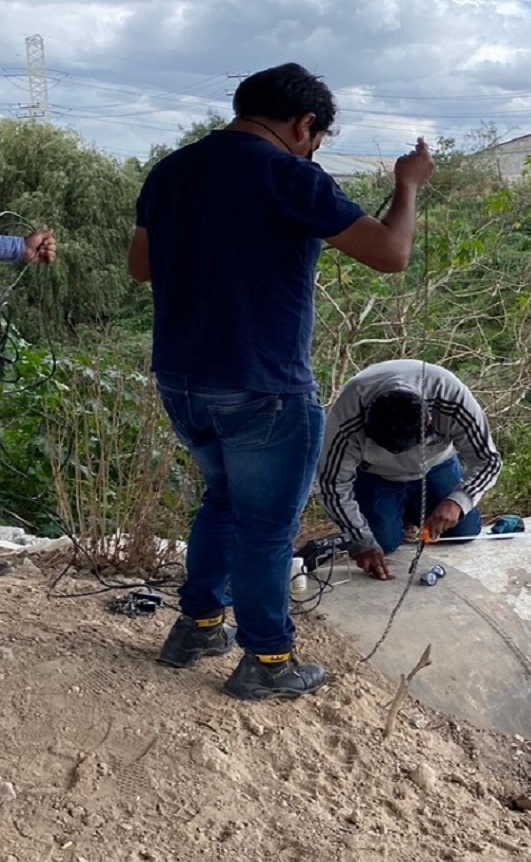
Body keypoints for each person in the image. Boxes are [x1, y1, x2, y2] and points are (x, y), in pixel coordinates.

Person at [128, 62, 433, 701]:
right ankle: (268, 660)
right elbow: (391, 254)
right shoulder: (291, 175)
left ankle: (197, 627)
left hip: (183, 380)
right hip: (264, 387)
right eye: (318, 138)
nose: (314, 148)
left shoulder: (171, 170)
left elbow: (141, 268)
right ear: (303, 125)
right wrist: (407, 186)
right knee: (267, 528)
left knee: (223, 502)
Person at [317, 360, 502, 581]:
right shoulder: (348, 414)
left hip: (436, 466)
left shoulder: (451, 396)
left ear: (429, 421)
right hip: (376, 476)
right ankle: (397, 518)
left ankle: (411, 512)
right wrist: (361, 540)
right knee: (380, 544)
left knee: (462, 533)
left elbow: (488, 460)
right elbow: (332, 484)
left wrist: (459, 501)